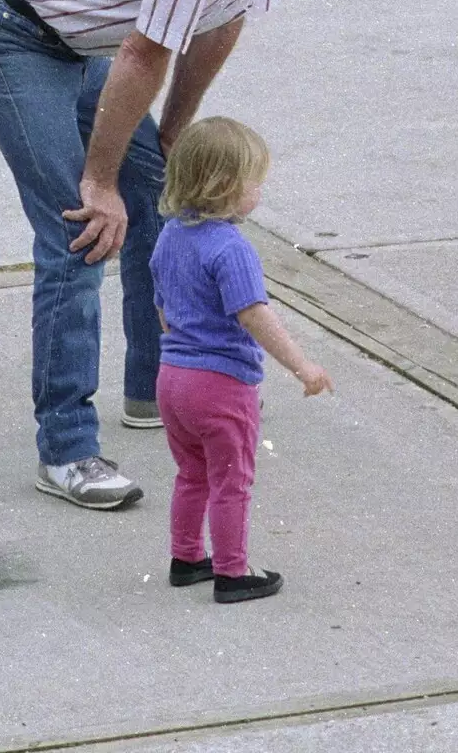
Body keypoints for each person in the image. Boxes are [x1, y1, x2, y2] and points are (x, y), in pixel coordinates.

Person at [0, 0, 361, 510]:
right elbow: (144, 54)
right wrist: (99, 181)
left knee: (163, 194)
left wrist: (171, 134)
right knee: (81, 230)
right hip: (9, 30)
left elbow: (221, 21)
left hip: (77, 44)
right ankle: (67, 450)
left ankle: (153, 387)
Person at [150, 116, 334, 603]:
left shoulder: (170, 236)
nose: (260, 193)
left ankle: (187, 557)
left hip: (172, 378)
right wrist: (303, 366)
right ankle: (233, 572)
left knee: (191, 474)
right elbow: (255, 315)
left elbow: (163, 309)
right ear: (226, 186)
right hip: (221, 383)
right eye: (257, 183)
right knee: (232, 481)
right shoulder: (232, 249)